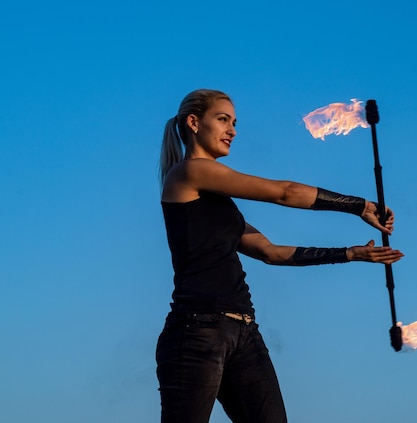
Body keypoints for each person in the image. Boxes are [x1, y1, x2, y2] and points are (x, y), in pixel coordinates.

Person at [156, 88, 404, 423]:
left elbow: (271, 252)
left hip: (244, 332)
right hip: (197, 331)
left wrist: (350, 253)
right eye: (223, 119)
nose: (233, 130)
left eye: (234, 122)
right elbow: (285, 193)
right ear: (193, 122)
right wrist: (360, 206)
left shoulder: (220, 206)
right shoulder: (188, 173)